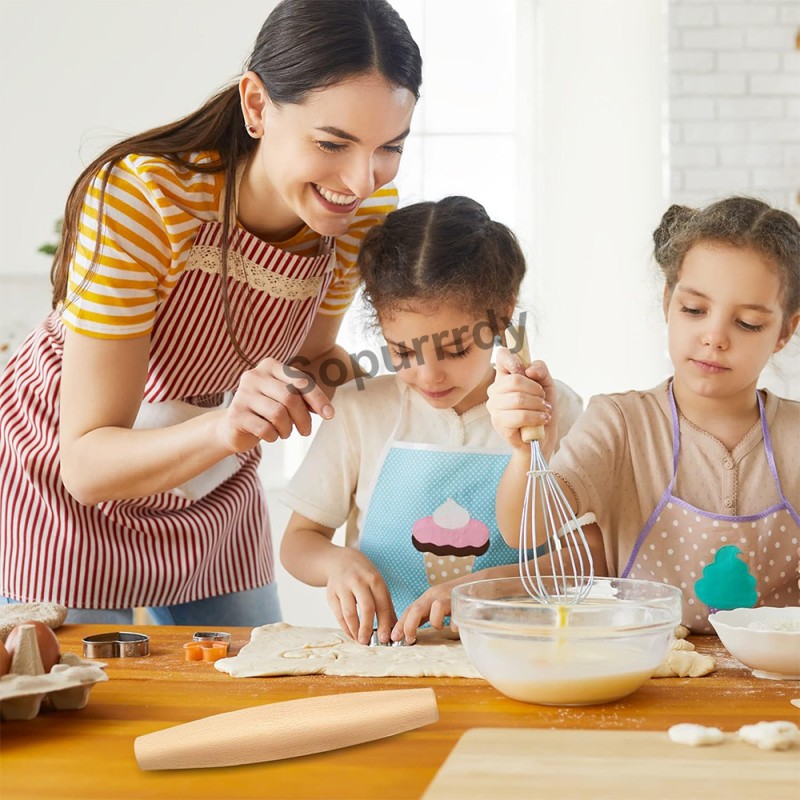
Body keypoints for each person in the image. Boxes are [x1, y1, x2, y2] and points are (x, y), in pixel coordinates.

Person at [0, 0, 422, 626]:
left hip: (213, 485)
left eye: (389, 146)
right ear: (257, 105)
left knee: (252, 682)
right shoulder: (147, 198)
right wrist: (228, 425)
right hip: (67, 482)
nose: (361, 180)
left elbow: (309, 358)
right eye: (333, 142)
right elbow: (86, 465)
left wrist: (434, 371)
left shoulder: (359, 210)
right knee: (80, 699)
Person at [279, 196, 584, 644]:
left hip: (523, 653)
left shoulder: (557, 413)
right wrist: (336, 563)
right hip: (388, 657)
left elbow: (586, 557)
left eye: (455, 349)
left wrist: (486, 588)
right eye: (402, 352)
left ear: (502, 315)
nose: (428, 375)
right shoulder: (360, 411)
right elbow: (299, 542)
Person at [488, 196, 800, 633]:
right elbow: (526, 528)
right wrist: (527, 453)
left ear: (785, 331)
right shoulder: (621, 424)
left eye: (747, 322)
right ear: (668, 301)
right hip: (648, 676)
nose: (714, 337)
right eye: (694, 310)